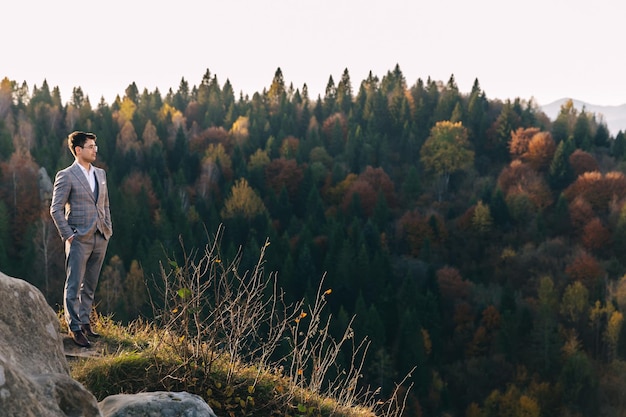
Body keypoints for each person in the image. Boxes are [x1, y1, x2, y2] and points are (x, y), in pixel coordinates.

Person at [50, 131, 112, 348]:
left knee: (91, 284)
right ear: (78, 150)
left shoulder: (101, 174)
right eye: (91, 146)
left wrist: (108, 229)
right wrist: (68, 235)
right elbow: (55, 209)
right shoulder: (66, 175)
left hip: (100, 235)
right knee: (74, 283)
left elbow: (104, 205)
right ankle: (74, 327)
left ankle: (85, 322)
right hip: (78, 238)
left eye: (95, 145)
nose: (95, 149)